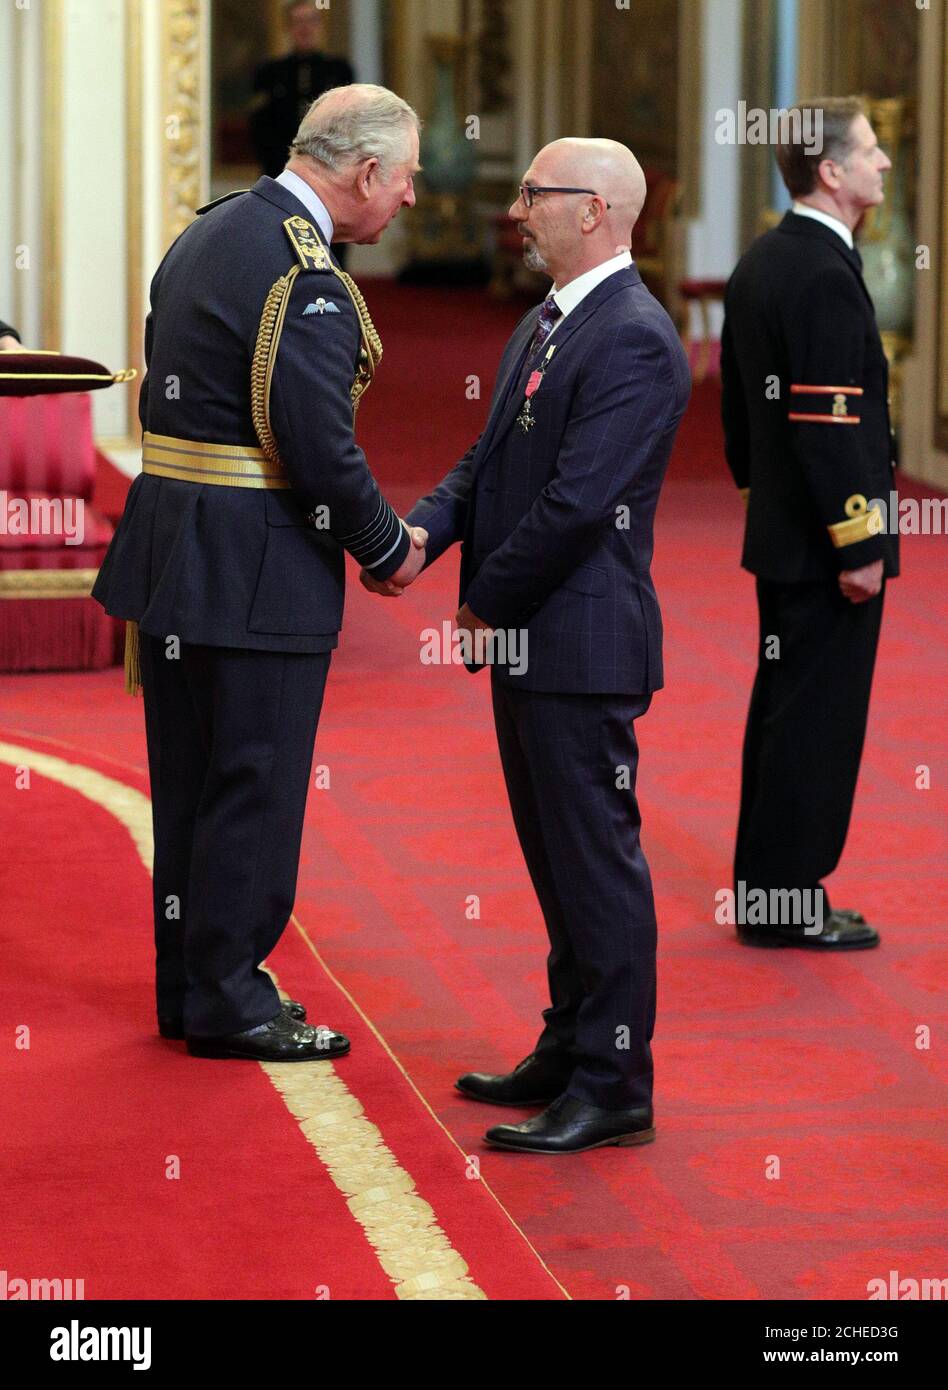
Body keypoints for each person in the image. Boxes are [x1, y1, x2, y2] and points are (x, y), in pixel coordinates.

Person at [364, 139, 691, 1154]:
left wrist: (486, 602)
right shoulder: (549, 318)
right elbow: (489, 456)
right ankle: (568, 1043)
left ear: (593, 210)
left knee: (596, 865)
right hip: (534, 642)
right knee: (557, 861)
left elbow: (581, 502)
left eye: (533, 196)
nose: (516, 210)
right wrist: (423, 531)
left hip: (580, 642)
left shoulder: (635, 337)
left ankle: (615, 1079)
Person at [93, 84, 426, 1062]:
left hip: (173, 549)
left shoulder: (213, 230)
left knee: (191, 783)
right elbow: (317, 445)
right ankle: (233, 998)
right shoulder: (307, 274)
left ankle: (192, 985)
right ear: (366, 172)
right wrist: (384, 543)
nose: (407, 200)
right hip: (256, 562)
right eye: (403, 180)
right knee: (254, 784)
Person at [720, 97, 899, 950]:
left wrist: (767, 502)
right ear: (830, 171)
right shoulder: (825, 272)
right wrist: (859, 543)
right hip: (830, 547)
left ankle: (766, 892)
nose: (884, 164)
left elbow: (737, 414)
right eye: (871, 151)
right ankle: (787, 899)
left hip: (786, 536)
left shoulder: (763, 259)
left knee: (783, 715)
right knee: (817, 724)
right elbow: (833, 427)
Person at [250, 1, 354, 179]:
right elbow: (260, 126)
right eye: (298, 21)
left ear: (321, 26)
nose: (305, 28)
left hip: (328, 167)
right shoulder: (269, 73)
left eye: (311, 21)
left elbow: (347, 122)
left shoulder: (339, 70)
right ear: (288, 27)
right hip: (279, 169)